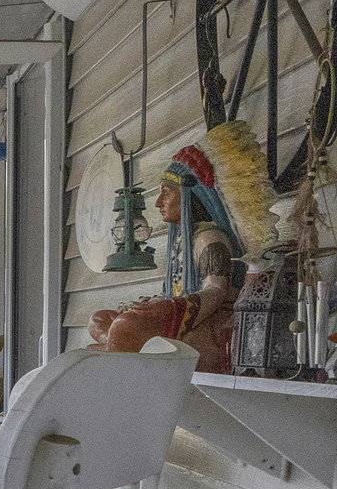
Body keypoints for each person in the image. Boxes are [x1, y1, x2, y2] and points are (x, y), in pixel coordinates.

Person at [87, 120, 275, 371]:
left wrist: (171, 308)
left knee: (124, 327)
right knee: (98, 320)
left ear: (188, 195)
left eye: (166, 192)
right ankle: (122, 345)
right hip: (179, 315)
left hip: (206, 321)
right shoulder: (181, 241)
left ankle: (122, 349)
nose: (158, 203)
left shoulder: (210, 239)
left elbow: (217, 291)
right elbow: (173, 290)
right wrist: (151, 303)